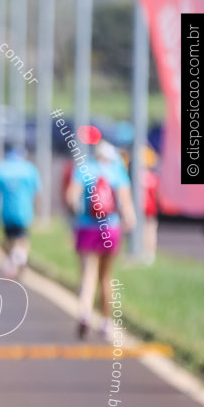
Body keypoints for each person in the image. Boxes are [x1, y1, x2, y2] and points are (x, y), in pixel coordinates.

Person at [65, 141, 136, 340]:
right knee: (106, 277)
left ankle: (85, 312)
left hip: (86, 228)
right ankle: (105, 322)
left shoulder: (84, 169)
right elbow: (127, 208)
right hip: (110, 229)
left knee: (88, 275)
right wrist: (128, 222)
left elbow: (71, 197)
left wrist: (75, 216)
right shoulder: (117, 172)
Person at [0, 145, 41, 279]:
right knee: (22, 239)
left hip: (6, 213)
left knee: (8, 240)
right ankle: (20, 259)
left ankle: (12, 262)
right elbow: (36, 193)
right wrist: (37, 212)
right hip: (24, 213)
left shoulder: (1, 169)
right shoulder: (29, 169)